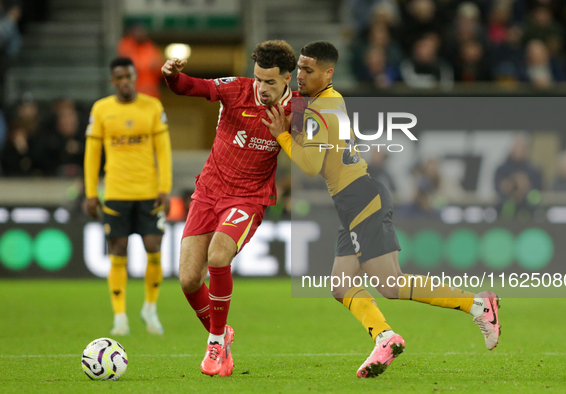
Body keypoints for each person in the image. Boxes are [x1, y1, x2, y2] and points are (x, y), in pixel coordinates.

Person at [264, 41, 501, 379]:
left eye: (308, 70)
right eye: (299, 68)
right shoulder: (323, 102)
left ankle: (477, 305)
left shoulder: (322, 107)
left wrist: (281, 136)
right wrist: (295, 111)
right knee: (341, 285)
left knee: (389, 284)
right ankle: (386, 337)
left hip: (360, 198)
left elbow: (311, 165)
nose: (299, 75)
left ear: (328, 73)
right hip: (355, 199)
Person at [161, 40, 297, 377]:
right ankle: (222, 333)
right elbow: (192, 86)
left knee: (218, 256)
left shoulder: (300, 111)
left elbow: (310, 160)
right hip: (209, 191)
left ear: (287, 79)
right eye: (258, 79)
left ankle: (216, 341)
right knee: (190, 279)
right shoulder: (237, 89)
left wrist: (284, 136)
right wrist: (171, 77)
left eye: (270, 82)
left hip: (248, 198)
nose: (261, 88)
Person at [84, 57, 172, 336]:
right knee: (118, 251)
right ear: (113, 80)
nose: (125, 82)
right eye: (119, 77)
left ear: (135, 77)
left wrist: (165, 188)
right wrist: (90, 192)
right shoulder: (101, 109)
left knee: (154, 246)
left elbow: (164, 151)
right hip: (116, 192)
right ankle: (120, 315)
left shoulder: (152, 106)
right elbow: (92, 154)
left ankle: (150, 307)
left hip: (148, 192)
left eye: (129, 77)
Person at [117, 23, 164, 99]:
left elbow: (160, 68)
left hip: (150, 91)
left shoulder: (150, 46)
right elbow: (130, 64)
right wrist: (147, 65)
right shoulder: (126, 45)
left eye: (142, 31)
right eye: (137, 31)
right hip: (131, 91)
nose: (140, 34)